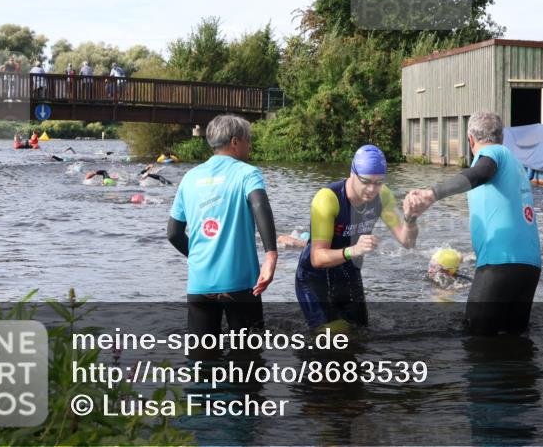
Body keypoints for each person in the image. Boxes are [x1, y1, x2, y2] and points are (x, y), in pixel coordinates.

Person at [405, 111, 542, 335]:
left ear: (470, 140)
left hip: (500, 264)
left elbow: (481, 172)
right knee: (514, 341)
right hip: (528, 267)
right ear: (502, 136)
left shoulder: (493, 154)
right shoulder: (515, 165)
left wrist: (432, 194)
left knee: (475, 339)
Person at [166, 115, 278, 344]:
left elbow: (173, 233)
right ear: (235, 142)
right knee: (248, 358)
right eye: (248, 140)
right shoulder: (247, 173)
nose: (250, 145)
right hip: (241, 283)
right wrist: (271, 255)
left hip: (200, 283)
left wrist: (197, 257)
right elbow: (259, 204)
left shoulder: (189, 178)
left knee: (201, 359)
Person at [295, 145, 418, 330]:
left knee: (360, 334)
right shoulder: (327, 199)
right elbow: (317, 258)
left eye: (378, 182)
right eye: (366, 181)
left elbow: (407, 242)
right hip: (315, 278)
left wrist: (410, 218)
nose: (372, 189)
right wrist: (354, 250)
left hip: (349, 273)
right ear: (352, 173)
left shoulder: (383, 196)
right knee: (333, 337)